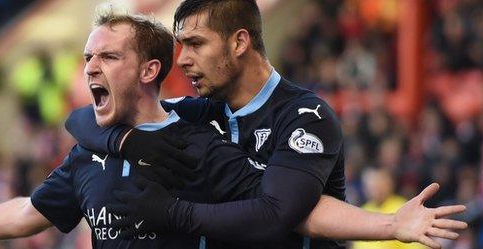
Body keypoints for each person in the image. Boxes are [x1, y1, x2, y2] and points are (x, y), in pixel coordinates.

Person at [64, 0, 468, 248]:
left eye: (196, 44)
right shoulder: (201, 110)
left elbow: (276, 216)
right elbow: (85, 118)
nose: (183, 60)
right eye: (180, 45)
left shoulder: (304, 117)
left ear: (239, 43)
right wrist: (127, 142)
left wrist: (172, 213)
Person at [0, 12, 270, 249]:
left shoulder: (200, 140)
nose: (90, 67)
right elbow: (30, 212)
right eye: (88, 57)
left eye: (109, 56)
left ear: (150, 70)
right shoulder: (87, 154)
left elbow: (277, 211)